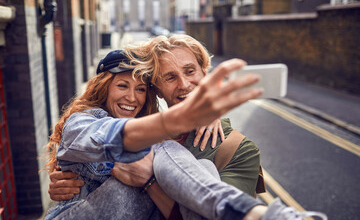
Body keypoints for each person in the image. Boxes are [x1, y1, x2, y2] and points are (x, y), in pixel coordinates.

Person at [44, 46, 327, 219]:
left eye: (140, 88)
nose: (132, 97)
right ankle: (248, 213)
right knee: (162, 149)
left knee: (202, 165)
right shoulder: (84, 120)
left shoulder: (238, 150)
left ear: (205, 74)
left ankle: (244, 212)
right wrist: (174, 123)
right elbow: (103, 135)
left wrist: (149, 182)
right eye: (169, 76)